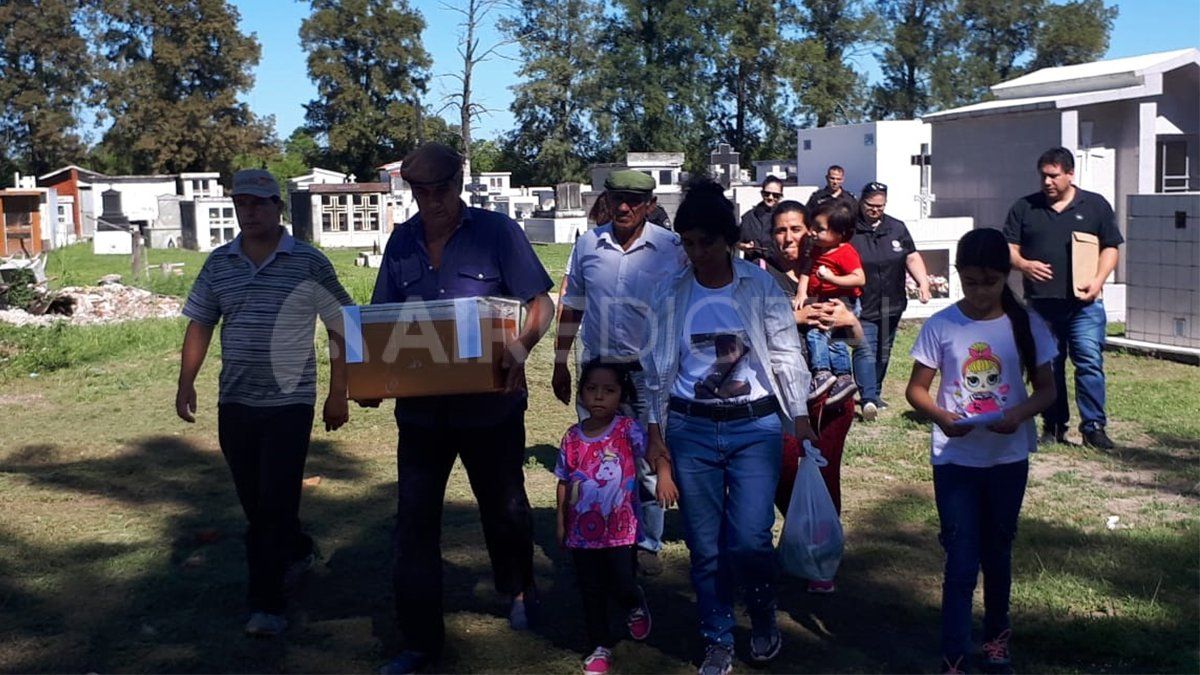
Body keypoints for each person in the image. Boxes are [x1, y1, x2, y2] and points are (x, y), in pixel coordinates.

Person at [366, 143, 555, 675]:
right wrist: (372, 376)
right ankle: (420, 641)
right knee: (413, 524)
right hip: (423, 415)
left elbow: (542, 302)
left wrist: (521, 347)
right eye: (420, 193)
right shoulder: (401, 243)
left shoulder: (497, 233)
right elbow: (382, 320)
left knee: (506, 507)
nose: (432, 203)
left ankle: (518, 586)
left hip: (490, 407)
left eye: (440, 191)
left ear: (459, 184)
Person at [642, 179, 815, 675]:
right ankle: (716, 636)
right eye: (689, 243)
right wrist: (656, 434)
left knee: (749, 540)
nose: (698, 253)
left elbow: (785, 352)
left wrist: (799, 416)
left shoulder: (758, 285)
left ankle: (762, 618)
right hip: (690, 430)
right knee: (704, 545)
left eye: (708, 242)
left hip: (753, 427)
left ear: (730, 240)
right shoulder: (669, 292)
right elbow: (654, 368)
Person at [176, 169, 352, 637]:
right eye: (241, 205)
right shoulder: (219, 264)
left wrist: (339, 392)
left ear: (278, 207)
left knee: (273, 504)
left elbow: (342, 324)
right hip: (235, 400)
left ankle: (266, 606)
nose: (249, 212)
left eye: (258, 203)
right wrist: (185, 381)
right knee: (257, 504)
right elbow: (200, 324)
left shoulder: (308, 262)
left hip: (289, 403)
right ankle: (297, 550)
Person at [905, 228, 1057, 674]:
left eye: (989, 282)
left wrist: (1019, 414)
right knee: (961, 557)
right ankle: (954, 652)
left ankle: (996, 641)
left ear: (1005, 277)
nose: (979, 292)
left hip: (1007, 459)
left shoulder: (1026, 324)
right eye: (970, 282)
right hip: (955, 462)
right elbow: (916, 390)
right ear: (957, 276)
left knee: (998, 552)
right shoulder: (943, 325)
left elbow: (1047, 391)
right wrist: (941, 416)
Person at [553, 170, 688, 577]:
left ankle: (646, 542)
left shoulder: (671, 249)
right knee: (596, 460)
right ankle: (598, 532)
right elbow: (572, 305)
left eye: (634, 200)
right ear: (606, 201)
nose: (625, 208)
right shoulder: (589, 245)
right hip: (600, 372)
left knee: (649, 458)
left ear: (649, 204)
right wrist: (560, 362)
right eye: (617, 200)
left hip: (650, 373)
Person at [760, 200, 859, 594]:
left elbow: (856, 339)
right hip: (784, 393)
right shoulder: (759, 277)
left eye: (797, 229)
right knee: (785, 472)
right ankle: (791, 547)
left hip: (832, 397)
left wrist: (850, 321)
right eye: (781, 230)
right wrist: (793, 316)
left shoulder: (832, 270)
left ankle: (821, 559)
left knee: (824, 475)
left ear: (813, 232)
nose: (789, 238)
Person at [554, 360, 676, 675]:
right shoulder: (571, 438)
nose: (599, 397)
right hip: (582, 534)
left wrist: (664, 475)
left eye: (608, 391)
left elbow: (654, 450)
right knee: (590, 590)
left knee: (621, 581)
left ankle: (634, 603)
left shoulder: (627, 430)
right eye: (592, 389)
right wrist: (561, 522)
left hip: (621, 531)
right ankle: (599, 646)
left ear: (621, 396)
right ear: (580, 394)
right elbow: (564, 482)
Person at [1003, 147, 1123, 450]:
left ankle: (1094, 427)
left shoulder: (1094, 206)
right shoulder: (1025, 207)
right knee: (1048, 366)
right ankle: (1053, 425)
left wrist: (1098, 281)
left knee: (1089, 362)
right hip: (1041, 305)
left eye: (1054, 176)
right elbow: (1009, 247)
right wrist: (1024, 265)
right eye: (1043, 175)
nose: (1047, 182)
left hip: (1084, 305)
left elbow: (1111, 247)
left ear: (1070, 174)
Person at [850, 181, 931, 421]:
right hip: (861, 303)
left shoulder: (896, 228)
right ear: (861, 202)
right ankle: (867, 399)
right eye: (871, 205)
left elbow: (911, 257)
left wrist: (923, 283)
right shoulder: (849, 229)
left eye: (880, 206)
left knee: (883, 351)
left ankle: (875, 392)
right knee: (864, 349)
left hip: (891, 302)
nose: (875, 210)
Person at [797, 201, 864, 405]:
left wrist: (831, 279)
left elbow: (859, 278)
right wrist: (801, 292)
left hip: (843, 301)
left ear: (840, 233)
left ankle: (826, 373)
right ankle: (841, 377)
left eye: (820, 229)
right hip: (824, 300)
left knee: (820, 334)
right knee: (831, 338)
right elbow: (807, 270)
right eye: (813, 226)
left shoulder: (845, 252)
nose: (812, 232)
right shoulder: (819, 249)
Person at [737, 176, 785, 262]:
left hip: (779, 268)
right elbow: (736, 242)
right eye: (767, 194)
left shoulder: (786, 217)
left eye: (775, 195)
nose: (770, 198)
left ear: (781, 196)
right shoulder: (749, 217)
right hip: (754, 267)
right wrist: (744, 246)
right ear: (762, 193)